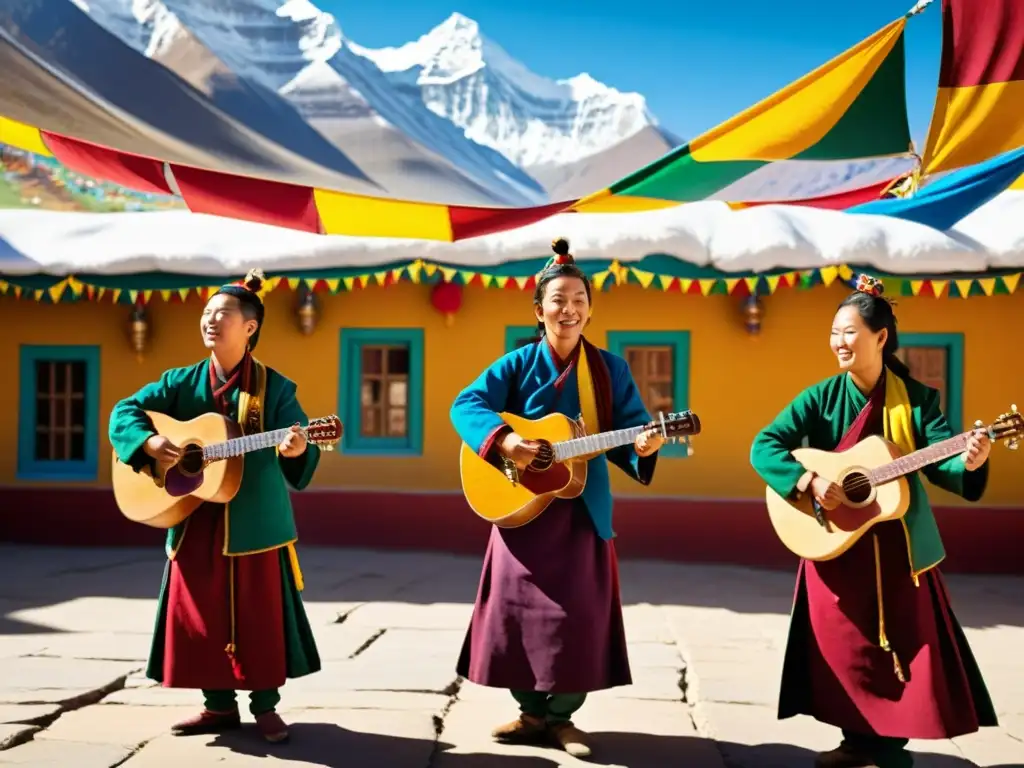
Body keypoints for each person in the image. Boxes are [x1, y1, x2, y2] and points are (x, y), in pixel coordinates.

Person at [749, 275, 998, 768]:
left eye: (849, 332)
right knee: (842, 650)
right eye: (834, 332)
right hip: (837, 543)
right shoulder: (820, 398)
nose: (838, 342)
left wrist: (969, 460)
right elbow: (765, 445)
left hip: (900, 550)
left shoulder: (919, 401)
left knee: (904, 645)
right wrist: (811, 483)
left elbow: (939, 460)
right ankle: (854, 743)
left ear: (881, 337)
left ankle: (887, 747)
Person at [449, 238, 666, 759]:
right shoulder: (518, 364)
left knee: (579, 617)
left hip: (583, 510)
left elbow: (631, 429)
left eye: (578, 301)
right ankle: (530, 714)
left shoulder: (609, 370)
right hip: (523, 509)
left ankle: (563, 719)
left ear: (590, 310)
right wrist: (508, 442)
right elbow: (467, 404)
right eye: (558, 300)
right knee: (517, 614)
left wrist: (645, 443)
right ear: (539, 309)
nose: (568, 309)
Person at [108, 268, 322, 744]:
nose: (210, 320)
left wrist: (298, 447)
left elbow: (301, 439)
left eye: (222, 313)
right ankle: (217, 706)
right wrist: (148, 441)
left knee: (259, 614)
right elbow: (124, 411)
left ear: (249, 327)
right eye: (206, 313)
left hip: (255, 523)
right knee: (199, 612)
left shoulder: (276, 388)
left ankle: (265, 707)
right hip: (193, 516)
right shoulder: (179, 382)